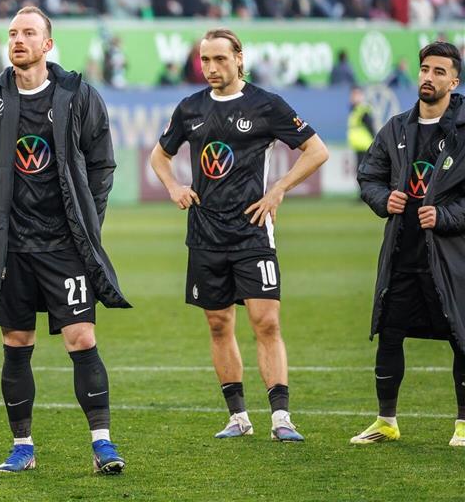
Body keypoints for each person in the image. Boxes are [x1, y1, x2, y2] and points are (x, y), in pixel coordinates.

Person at [0, 6, 130, 474]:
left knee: (81, 336)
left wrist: (89, 220)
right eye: (13, 33)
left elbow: (102, 163)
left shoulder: (77, 94)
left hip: (64, 243)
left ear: (47, 44)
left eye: (28, 33)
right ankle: (22, 446)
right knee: (16, 341)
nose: (18, 40)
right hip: (7, 245)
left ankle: (102, 443)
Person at [149, 28, 328, 442]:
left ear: (239, 59)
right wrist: (173, 186)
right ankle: (238, 417)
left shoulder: (266, 104)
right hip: (205, 233)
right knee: (218, 324)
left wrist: (278, 189)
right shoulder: (190, 108)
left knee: (266, 322)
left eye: (220, 59)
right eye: (205, 60)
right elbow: (160, 155)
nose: (211, 68)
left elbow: (317, 150)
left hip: (252, 232)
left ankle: (281, 418)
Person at [352, 41, 465, 448]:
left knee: (461, 335)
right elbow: (369, 176)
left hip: (452, 257)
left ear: (454, 81)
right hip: (403, 251)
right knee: (390, 332)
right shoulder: (397, 128)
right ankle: (386, 421)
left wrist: (446, 216)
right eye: (424, 69)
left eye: (439, 72)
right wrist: (384, 199)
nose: (428, 77)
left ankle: (463, 425)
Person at [348, 87, 375, 172]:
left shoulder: (363, 111)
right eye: (353, 95)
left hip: (365, 145)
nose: (354, 97)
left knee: (363, 170)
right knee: (359, 170)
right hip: (358, 146)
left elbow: (371, 127)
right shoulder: (355, 110)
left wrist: (375, 142)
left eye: (357, 94)